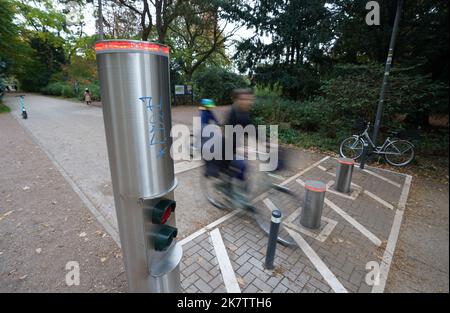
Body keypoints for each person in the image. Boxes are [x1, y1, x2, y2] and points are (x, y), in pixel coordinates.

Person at [199, 99, 221, 177]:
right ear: (204, 107)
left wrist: (220, 124)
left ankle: (214, 170)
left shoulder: (209, 112)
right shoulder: (203, 113)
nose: (209, 108)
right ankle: (208, 171)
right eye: (208, 107)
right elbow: (203, 125)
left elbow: (216, 120)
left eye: (210, 107)